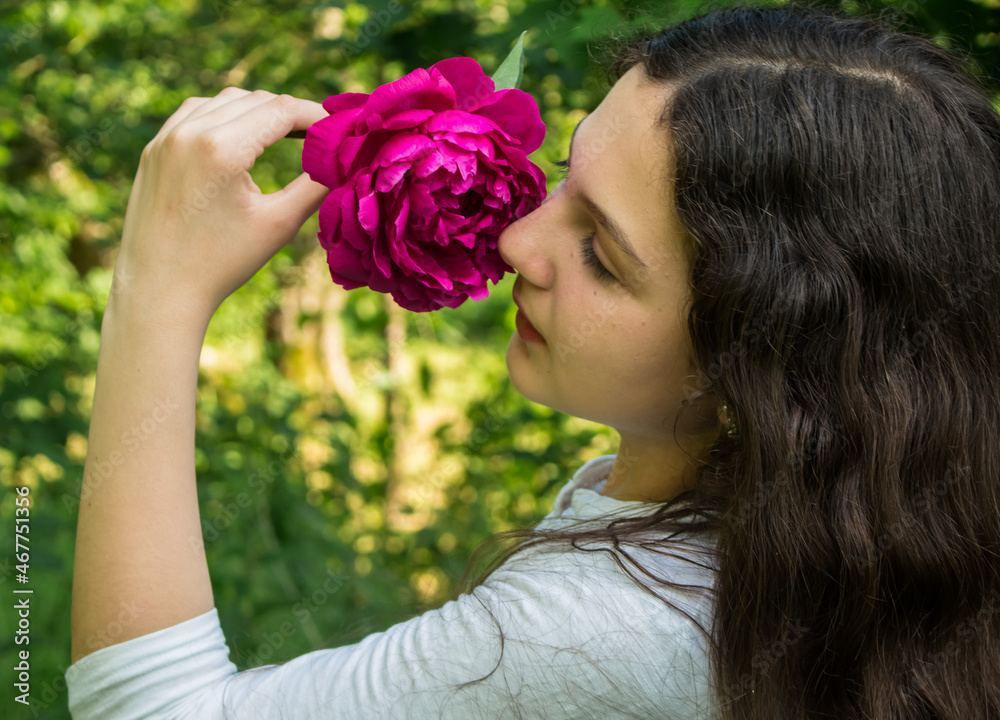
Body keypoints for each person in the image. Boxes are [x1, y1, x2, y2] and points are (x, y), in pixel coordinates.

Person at [66, 1, 1000, 718]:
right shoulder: (867, 536)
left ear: (758, 362)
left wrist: (157, 295)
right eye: (565, 176)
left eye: (602, 252)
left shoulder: (610, 629)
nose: (519, 240)